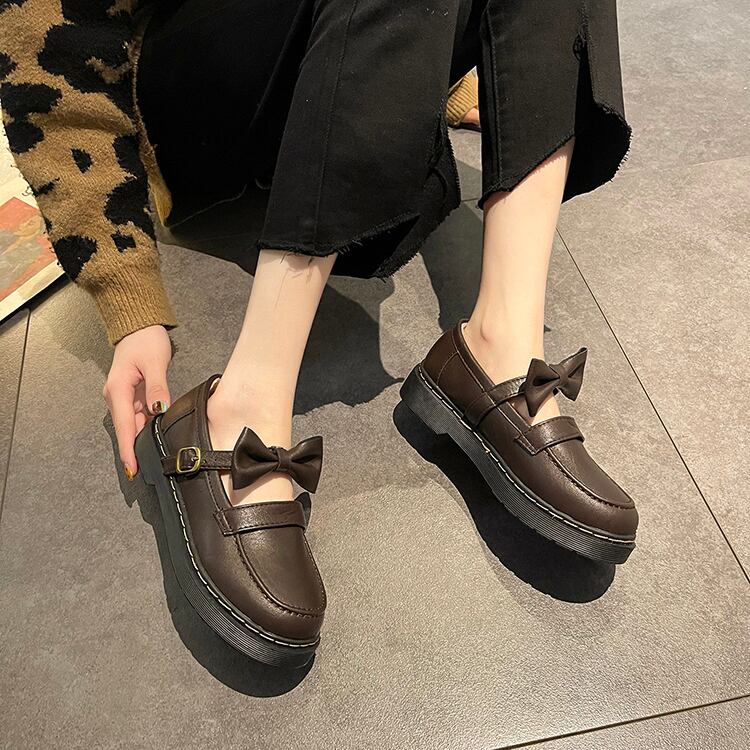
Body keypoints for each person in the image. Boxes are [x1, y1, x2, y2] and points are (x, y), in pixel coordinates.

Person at [1, 0, 638, 668]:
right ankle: (243, 406)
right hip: (190, 103)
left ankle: (502, 341)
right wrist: (126, 297)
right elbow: (42, 41)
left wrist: (464, 53)